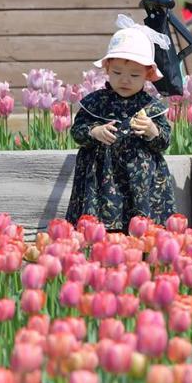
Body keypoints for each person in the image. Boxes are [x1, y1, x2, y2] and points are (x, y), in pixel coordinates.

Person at [65, 20, 175, 232]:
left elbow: (165, 141)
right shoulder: (96, 102)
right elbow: (77, 131)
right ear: (106, 68)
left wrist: (152, 131)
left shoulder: (151, 107)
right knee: (98, 226)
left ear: (148, 74)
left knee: (142, 227)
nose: (125, 80)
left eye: (134, 75)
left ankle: (141, 247)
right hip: (101, 177)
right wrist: (94, 132)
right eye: (117, 73)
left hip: (140, 180)